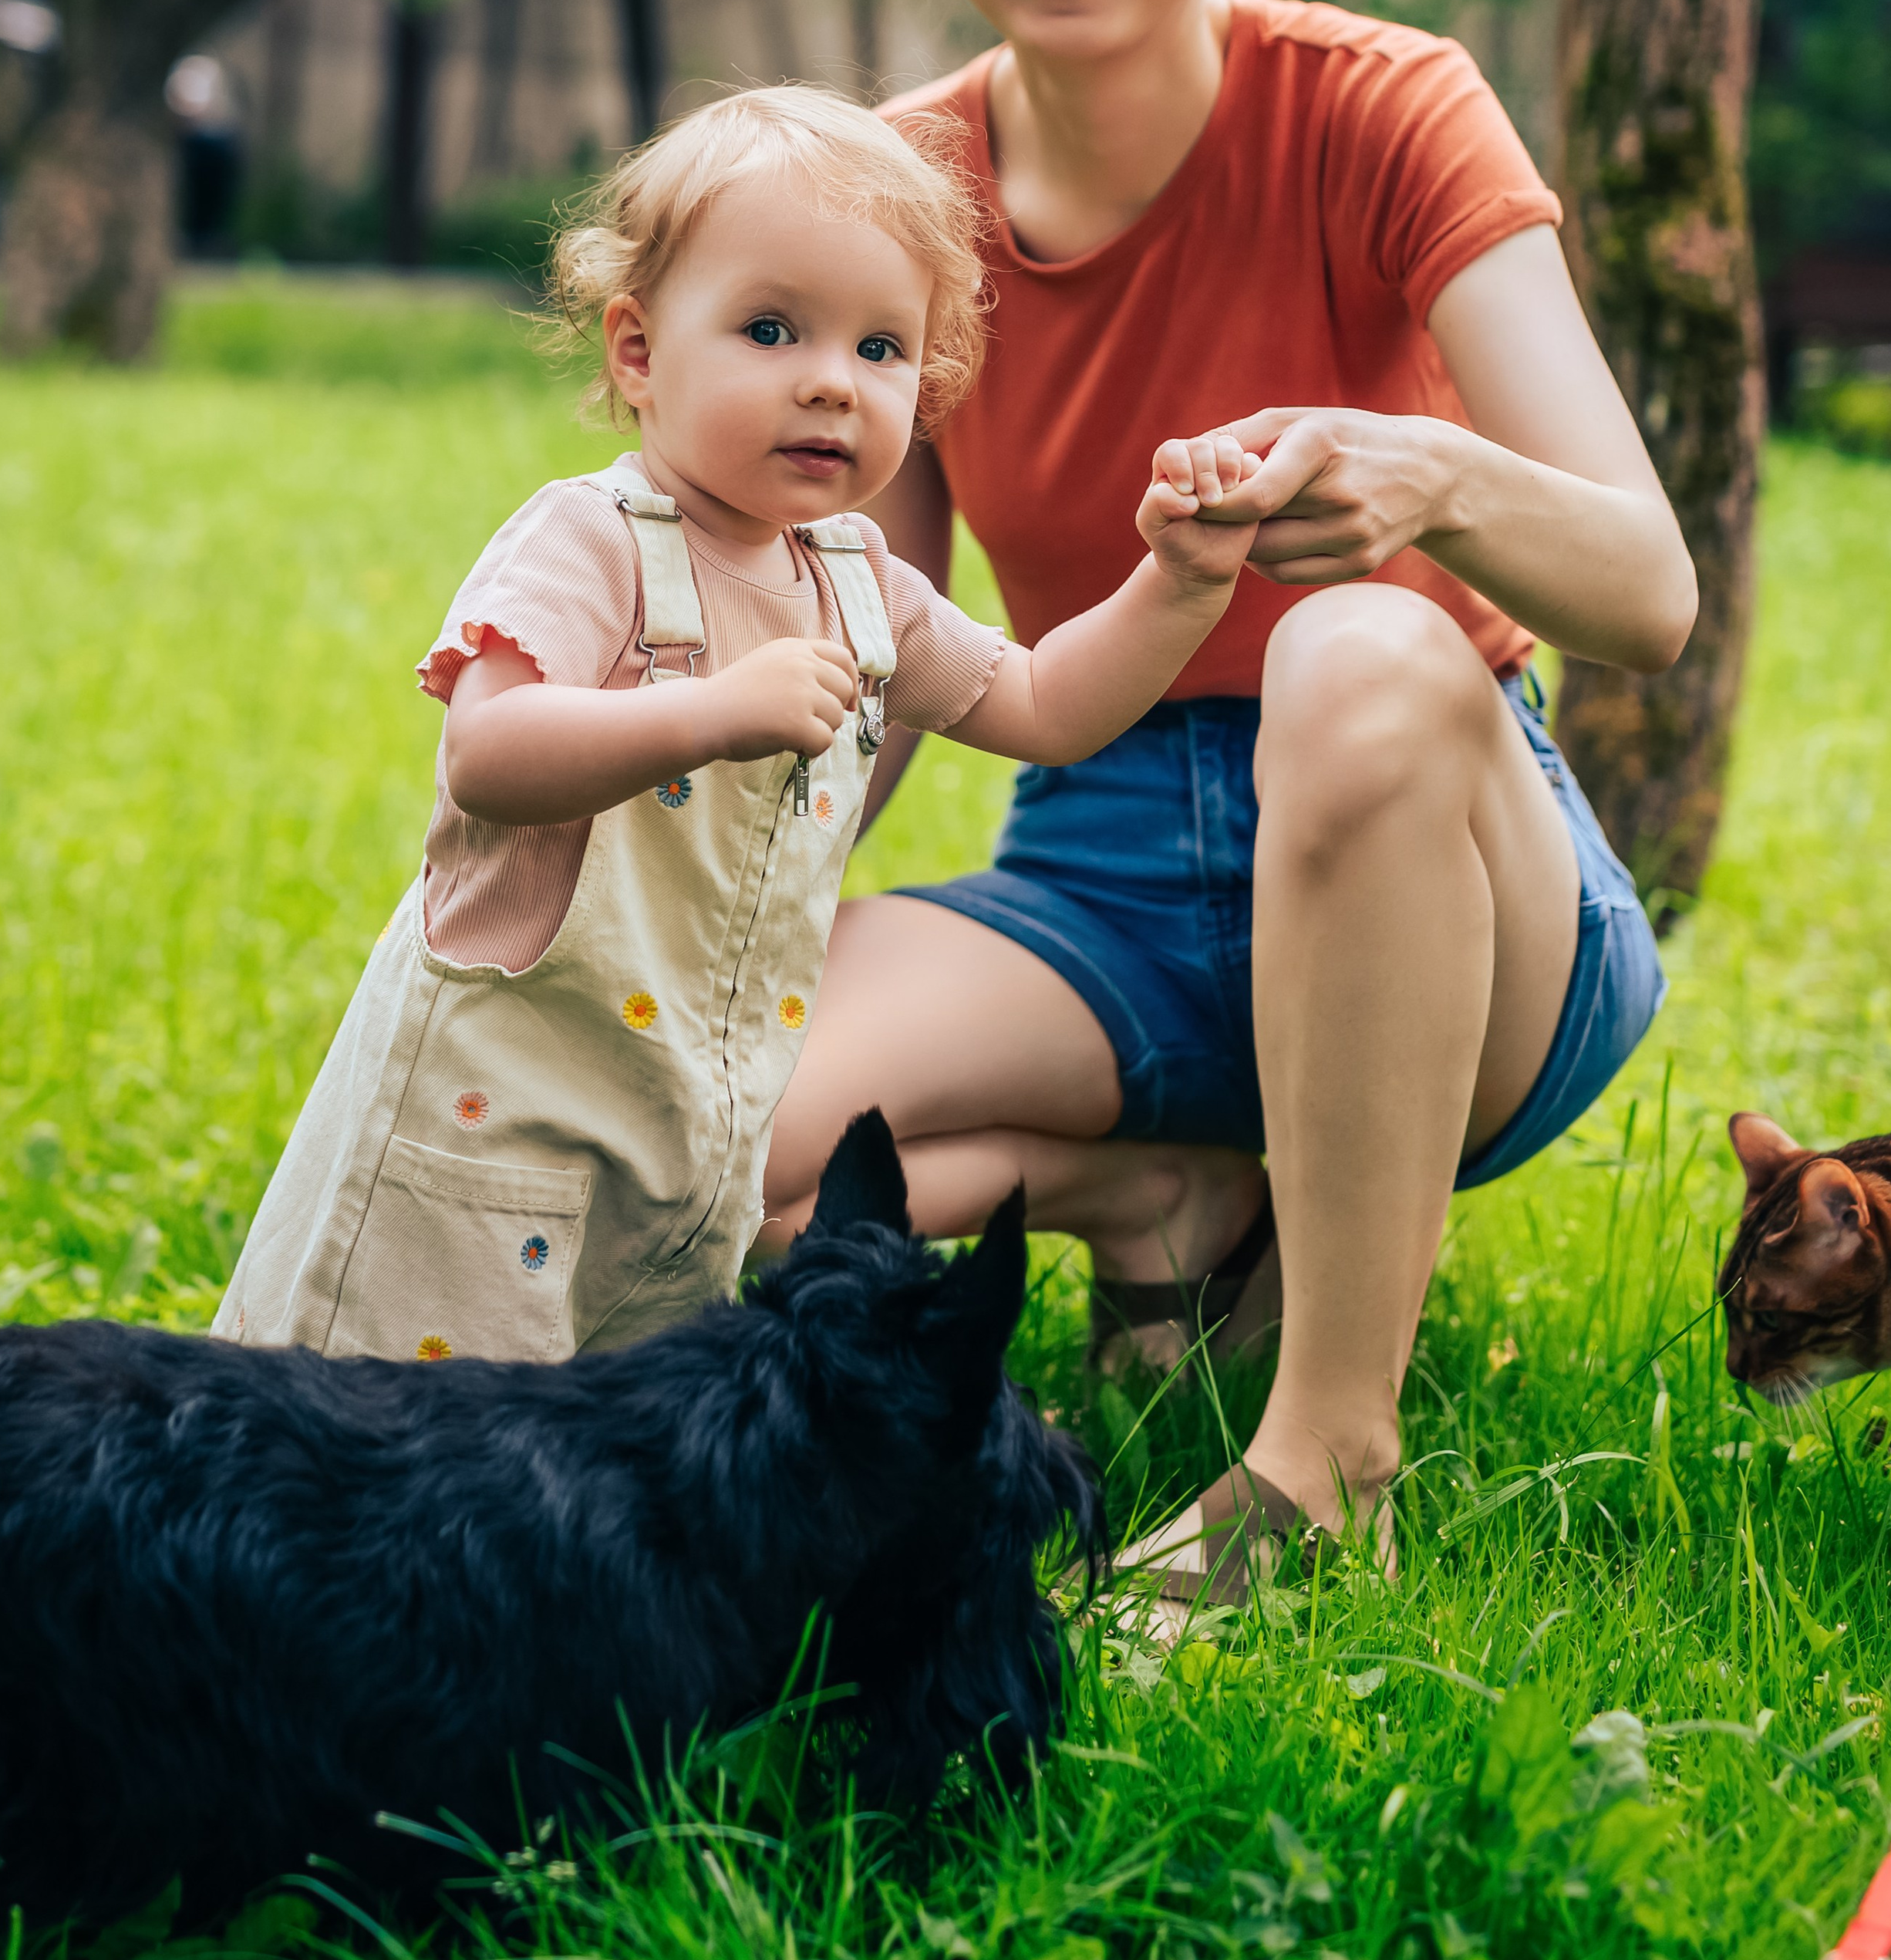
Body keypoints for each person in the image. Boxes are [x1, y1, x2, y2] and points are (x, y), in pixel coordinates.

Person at [759, 0, 1698, 1589]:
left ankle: (1325, 1457)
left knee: (1357, 651)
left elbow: (1645, 588)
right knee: (726, 1147)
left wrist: (1431, 477)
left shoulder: (1385, 105)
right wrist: (673, 931)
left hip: (1451, 872)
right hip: (1093, 876)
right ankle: (1166, 1199)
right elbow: (871, 651)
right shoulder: (889, 198)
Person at [214, 85, 1263, 1366]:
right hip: (496, 1126)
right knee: (409, 1432)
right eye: (772, 330)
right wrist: (707, 711)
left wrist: (1178, 584)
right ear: (639, 352)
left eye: (882, 349)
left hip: (684, 1130)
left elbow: (1047, 706)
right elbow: (487, 755)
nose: (832, 383)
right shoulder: (590, 539)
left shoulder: (859, 583)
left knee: (621, 1426)